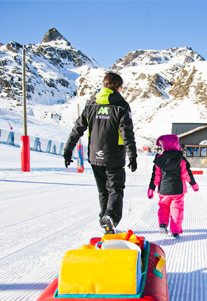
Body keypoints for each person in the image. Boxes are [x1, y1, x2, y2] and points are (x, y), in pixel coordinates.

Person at [63, 72, 137, 234]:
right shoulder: (121, 105)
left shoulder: (91, 104)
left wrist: (68, 149)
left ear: (104, 85)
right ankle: (110, 217)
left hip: (95, 156)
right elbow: (127, 133)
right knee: (115, 189)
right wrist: (132, 155)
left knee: (103, 191)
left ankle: (105, 221)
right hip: (114, 156)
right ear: (118, 87)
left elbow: (78, 129)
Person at [147, 134, 199, 239]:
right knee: (176, 209)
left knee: (163, 207)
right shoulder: (181, 159)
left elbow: (155, 176)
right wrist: (193, 184)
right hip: (178, 189)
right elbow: (186, 174)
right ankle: (175, 231)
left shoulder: (159, 160)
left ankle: (163, 224)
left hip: (163, 189)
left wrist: (151, 188)